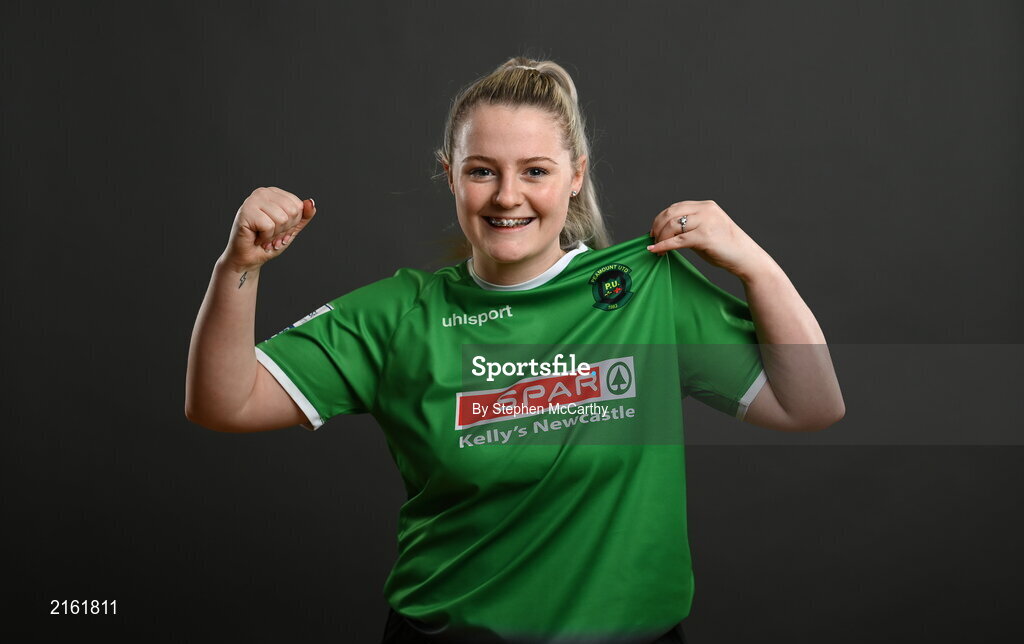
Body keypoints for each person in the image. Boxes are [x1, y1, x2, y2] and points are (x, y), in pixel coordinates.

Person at [185, 56, 845, 644]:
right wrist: (237, 267)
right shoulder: (396, 314)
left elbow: (810, 405)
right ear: (450, 177)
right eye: (481, 171)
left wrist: (755, 265)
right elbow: (224, 402)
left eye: (535, 170)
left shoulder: (648, 293)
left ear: (575, 177)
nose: (508, 196)